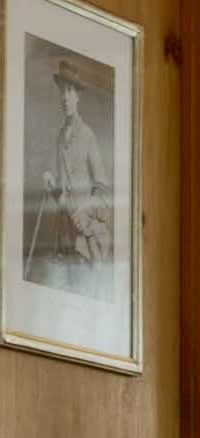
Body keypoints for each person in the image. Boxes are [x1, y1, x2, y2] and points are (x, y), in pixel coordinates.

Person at [40, 59, 111, 297]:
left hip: (84, 239)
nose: (65, 97)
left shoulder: (88, 135)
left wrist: (84, 211)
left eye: (70, 91)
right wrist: (52, 185)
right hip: (63, 235)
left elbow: (102, 189)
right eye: (62, 91)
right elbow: (63, 194)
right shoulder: (60, 137)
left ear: (78, 96)